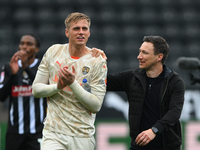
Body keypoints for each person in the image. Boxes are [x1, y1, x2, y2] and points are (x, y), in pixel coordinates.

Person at [92, 36, 185, 150]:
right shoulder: (132, 77)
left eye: (144, 53)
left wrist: (154, 130)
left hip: (168, 147)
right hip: (138, 146)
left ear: (159, 57)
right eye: (140, 52)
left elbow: (174, 112)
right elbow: (103, 83)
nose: (139, 56)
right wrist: (99, 63)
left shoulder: (175, 81)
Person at [32, 12, 107, 150]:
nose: (81, 32)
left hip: (82, 135)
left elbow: (96, 106)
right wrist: (58, 86)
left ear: (89, 33)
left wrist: (72, 83)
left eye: (85, 29)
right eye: (76, 28)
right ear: (67, 32)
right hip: (54, 133)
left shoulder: (97, 61)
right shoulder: (53, 52)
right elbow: (36, 90)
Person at [0, 34, 47, 150]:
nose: (24, 46)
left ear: (36, 49)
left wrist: (26, 67)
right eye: (22, 43)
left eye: (29, 44)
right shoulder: (8, 67)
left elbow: (45, 89)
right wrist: (13, 75)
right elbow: (1, 96)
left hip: (38, 131)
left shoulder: (43, 67)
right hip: (14, 132)